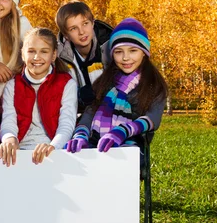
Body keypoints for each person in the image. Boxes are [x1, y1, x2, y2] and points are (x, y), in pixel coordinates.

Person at [66, 18, 168, 170]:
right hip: (96, 137)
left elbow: (153, 118)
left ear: (144, 52)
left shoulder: (154, 84)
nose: (126, 58)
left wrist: (122, 131)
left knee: (118, 164)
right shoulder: (105, 81)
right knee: (76, 161)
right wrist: (81, 133)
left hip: (131, 142)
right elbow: (90, 111)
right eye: (119, 52)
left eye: (133, 51)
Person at [0, 28, 78, 166]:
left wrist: (53, 146)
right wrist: (9, 138)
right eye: (31, 51)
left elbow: (67, 123)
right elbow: (8, 120)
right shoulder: (13, 85)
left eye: (44, 51)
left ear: (53, 55)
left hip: (54, 149)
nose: (37, 57)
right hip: (19, 150)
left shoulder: (67, 83)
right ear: (23, 54)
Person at [55, 0, 113, 113]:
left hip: (111, 111)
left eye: (85, 23)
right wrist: (79, 96)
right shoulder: (58, 57)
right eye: (73, 28)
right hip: (76, 115)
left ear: (93, 23)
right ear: (66, 35)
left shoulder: (110, 48)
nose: (81, 32)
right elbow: (57, 94)